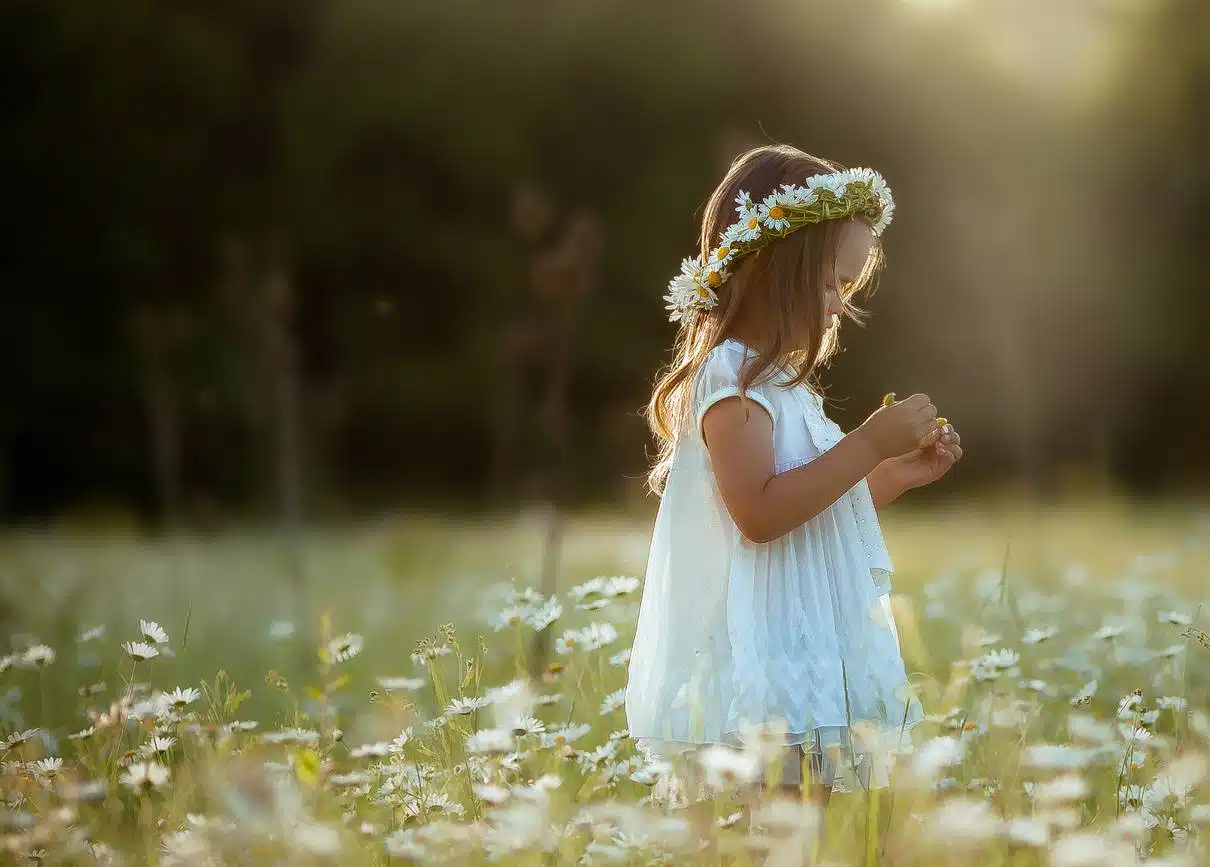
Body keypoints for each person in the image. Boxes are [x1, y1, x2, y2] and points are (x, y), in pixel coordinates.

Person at [624, 144, 963, 804]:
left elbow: (821, 501)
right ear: (776, 269)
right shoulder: (731, 379)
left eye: (849, 288)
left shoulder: (784, 387)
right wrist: (866, 443)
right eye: (832, 282)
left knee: (806, 815)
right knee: (768, 821)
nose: (839, 305)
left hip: (802, 638)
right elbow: (760, 511)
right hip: (759, 646)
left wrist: (896, 472)